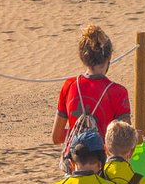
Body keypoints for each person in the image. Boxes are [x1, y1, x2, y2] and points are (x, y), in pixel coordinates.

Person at [52, 25, 132, 170]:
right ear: (109, 57)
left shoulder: (69, 86)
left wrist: (81, 134)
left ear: (82, 58)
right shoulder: (117, 92)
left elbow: (56, 137)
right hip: (103, 167)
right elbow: (124, 143)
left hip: (74, 167)